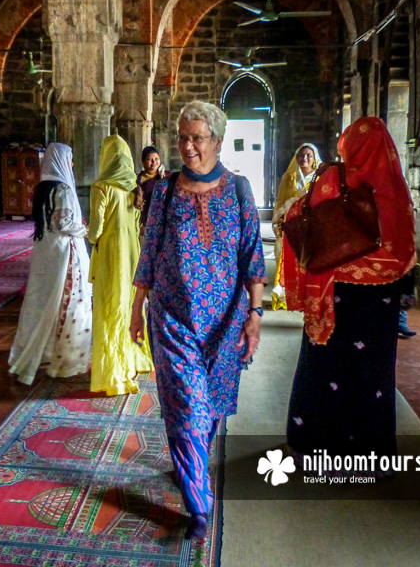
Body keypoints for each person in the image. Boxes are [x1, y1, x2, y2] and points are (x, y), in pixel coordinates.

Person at [130, 101, 267, 539]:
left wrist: (255, 314)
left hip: (224, 323)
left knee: (207, 410)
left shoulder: (239, 190)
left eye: (198, 138)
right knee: (187, 406)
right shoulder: (165, 190)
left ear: (218, 142)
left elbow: (252, 256)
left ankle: (190, 465)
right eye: (182, 137)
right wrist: (137, 309)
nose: (188, 146)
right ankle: (199, 505)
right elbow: (149, 251)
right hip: (172, 318)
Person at [282, 117, 416, 471]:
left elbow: (298, 216)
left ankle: (314, 445)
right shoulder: (394, 189)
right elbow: (404, 248)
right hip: (380, 301)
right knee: (374, 373)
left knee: (324, 367)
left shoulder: (332, 178)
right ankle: (371, 453)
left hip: (334, 295)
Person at [9, 143, 92, 385]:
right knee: (67, 299)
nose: (73, 164)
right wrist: (84, 230)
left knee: (43, 299)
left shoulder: (43, 189)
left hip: (46, 250)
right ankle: (64, 355)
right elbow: (64, 224)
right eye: (71, 159)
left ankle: (40, 350)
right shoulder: (64, 189)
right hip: (64, 252)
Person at [88, 134, 154, 396]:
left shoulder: (101, 187)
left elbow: (95, 231)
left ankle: (113, 373)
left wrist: (87, 235)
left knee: (109, 309)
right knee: (129, 306)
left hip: (110, 257)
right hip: (131, 254)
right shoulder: (132, 187)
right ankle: (131, 361)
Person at [271, 143, 321, 310]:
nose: (304, 158)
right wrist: (279, 220)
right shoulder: (289, 178)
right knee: (287, 259)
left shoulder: (320, 178)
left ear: (314, 159)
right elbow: (281, 201)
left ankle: (307, 296)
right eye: (301, 155)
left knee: (307, 261)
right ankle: (286, 296)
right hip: (291, 224)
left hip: (310, 227)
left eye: (309, 155)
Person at [136, 145, 166, 234]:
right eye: (149, 159)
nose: (154, 162)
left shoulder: (166, 177)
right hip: (146, 223)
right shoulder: (137, 181)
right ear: (143, 162)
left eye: (156, 159)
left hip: (164, 221)